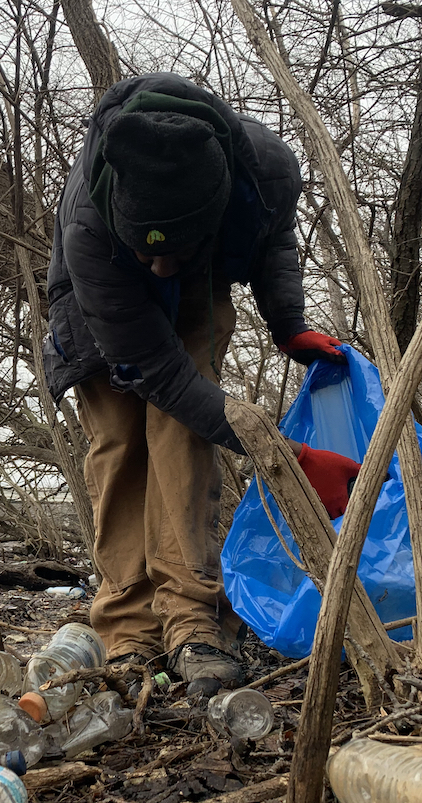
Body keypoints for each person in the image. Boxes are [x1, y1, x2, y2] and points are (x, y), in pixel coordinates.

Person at [44, 73, 360, 687]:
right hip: (100, 302)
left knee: (182, 437)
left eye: (171, 248)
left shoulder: (263, 168)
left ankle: (191, 620)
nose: (159, 264)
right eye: (148, 250)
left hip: (202, 281)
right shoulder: (92, 221)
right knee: (119, 446)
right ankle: (129, 630)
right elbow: (159, 375)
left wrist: (288, 322)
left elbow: (271, 242)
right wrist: (283, 456)